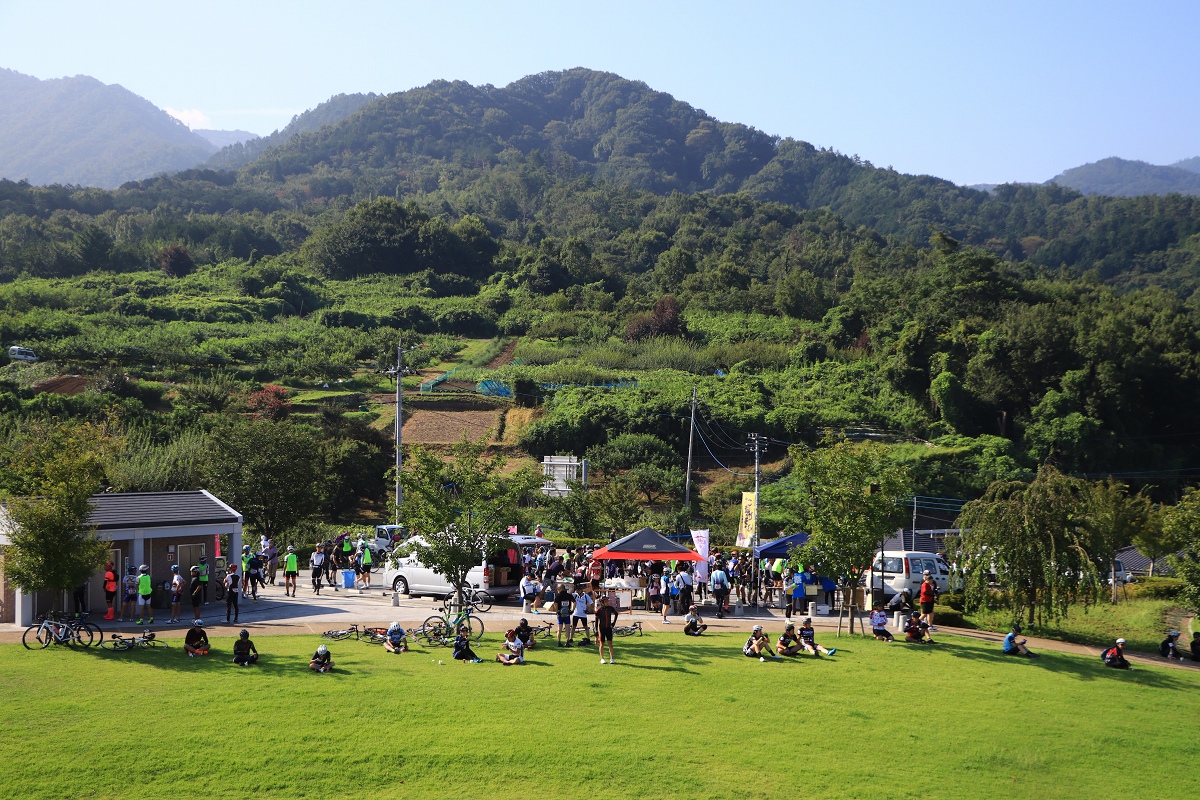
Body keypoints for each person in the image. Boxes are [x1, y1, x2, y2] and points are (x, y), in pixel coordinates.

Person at [596, 594, 618, 664]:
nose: (607, 602)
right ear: (602, 602)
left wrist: (613, 623)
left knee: (610, 643)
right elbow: (596, 623)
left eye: (607, 601)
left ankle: (612, 658)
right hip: (602, 629)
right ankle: (602, 658)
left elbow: (616, 614)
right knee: (602, 644)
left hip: (609, 629)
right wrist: (596, 632)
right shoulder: (599, 610)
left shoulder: (610, 608)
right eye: (606, 601)